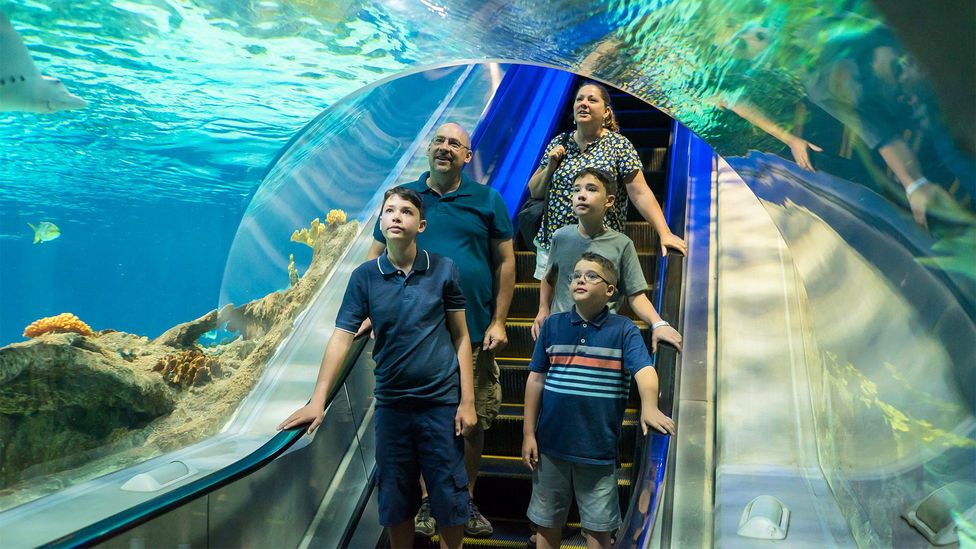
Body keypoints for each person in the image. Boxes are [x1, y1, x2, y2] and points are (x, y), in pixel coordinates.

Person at [278, 187, 477, 549]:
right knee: (396, 499)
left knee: (449, 499)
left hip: (440, 405)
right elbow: (341, 337)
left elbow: (461, 337)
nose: (397, 216)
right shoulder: (364, 277)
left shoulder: (444, 270)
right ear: (381, 222)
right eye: (390, 211)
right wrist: (317, 400)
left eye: (406, 211)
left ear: (421, 224)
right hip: (392, 407)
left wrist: (467, 402)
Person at [366, 122, 516, 537]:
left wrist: (501, 320)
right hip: (415, 339)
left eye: (455, 144)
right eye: (439, 141)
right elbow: (376, 255)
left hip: (473, 332)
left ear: (468, 156)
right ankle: (429, 503)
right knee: (421, 421)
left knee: (472, 419)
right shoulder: (408, 201)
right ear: (429, 150)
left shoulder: (487, 200)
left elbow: (505, 261)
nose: (445, 148)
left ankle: (463, 499)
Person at [522, 251, 676, 549]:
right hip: (551, 446)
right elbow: (536, 378)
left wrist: (649, 406)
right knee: (546, 523)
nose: (581, 279)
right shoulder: (553, 325)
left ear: (609, 290)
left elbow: (644, 370)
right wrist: (529, 433)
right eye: (576, 275)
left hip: (597, 448)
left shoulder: (623, 329)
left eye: (591, 276)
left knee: (598, 528)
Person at [527, 81, 687, 280]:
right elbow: (535, 191)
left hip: (599, 247)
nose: (584, 104)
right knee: (554, 310)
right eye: (579, 99)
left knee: (595, 308)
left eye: (592, 100)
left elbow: (640, 192)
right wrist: (551, 165)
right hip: (555, 246)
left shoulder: (618, 145)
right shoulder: (560, 142)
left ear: (606, 112)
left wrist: (664, 232)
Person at [532, 167, 682, 353]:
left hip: (600, 335)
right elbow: (549, 277)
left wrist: (658, 323)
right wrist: (543, 309)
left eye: (591, 189)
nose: (581, 195)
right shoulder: (560, 237)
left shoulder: (622, 244)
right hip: (560, 333)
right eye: (576, 189)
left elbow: (635, 294)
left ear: (609, 201)